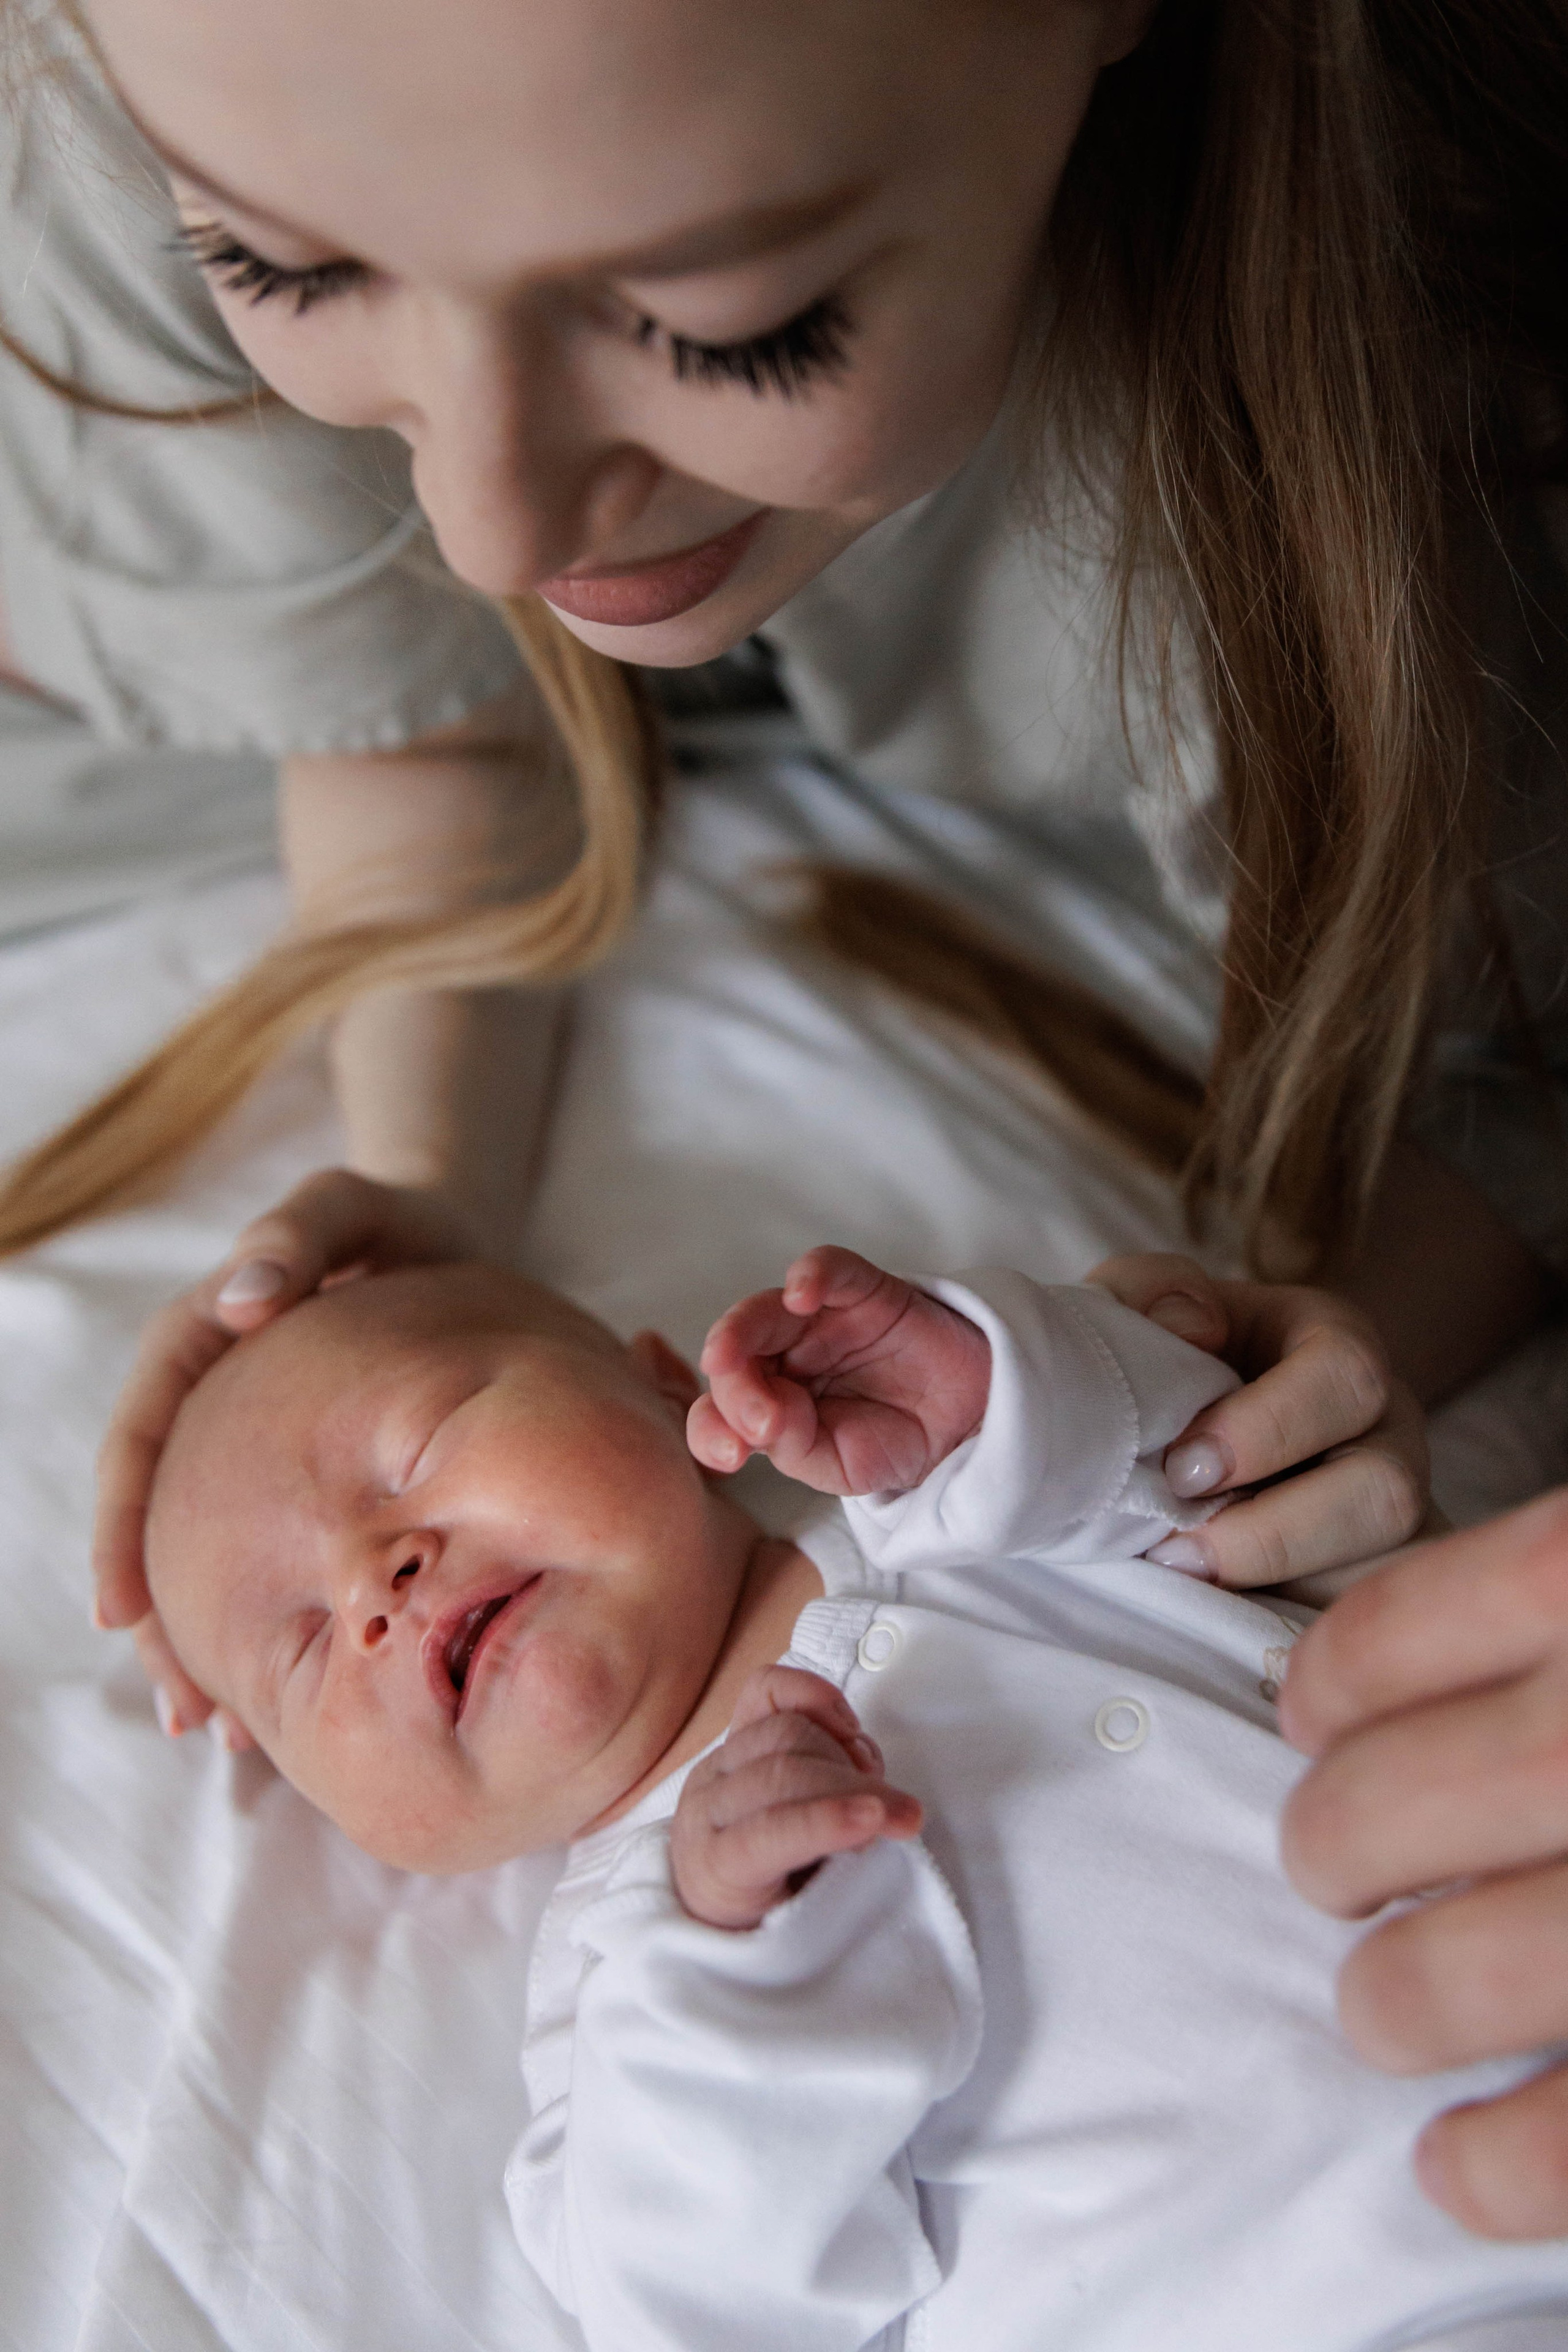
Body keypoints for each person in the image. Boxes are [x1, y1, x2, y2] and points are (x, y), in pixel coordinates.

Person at [0, 0, 1563, 2233]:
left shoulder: (1429, 394)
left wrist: (1252, 1359)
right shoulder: (637, 1969)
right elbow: (672, 2268)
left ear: (673, 1382)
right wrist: (433, 1194)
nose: (481, 519)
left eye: (725, 324)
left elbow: (1184, 1399)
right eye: (290, 275)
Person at [141, 1245, 1568, 2348]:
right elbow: (701, 2309)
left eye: (420, 1446)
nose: (375, 1581)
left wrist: (991, 1378)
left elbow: (1223, 1464)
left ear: (655, 1383)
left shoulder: (967, 1506)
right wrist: (733, 1969)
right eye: (304, 1646)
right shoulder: (625, 1993)